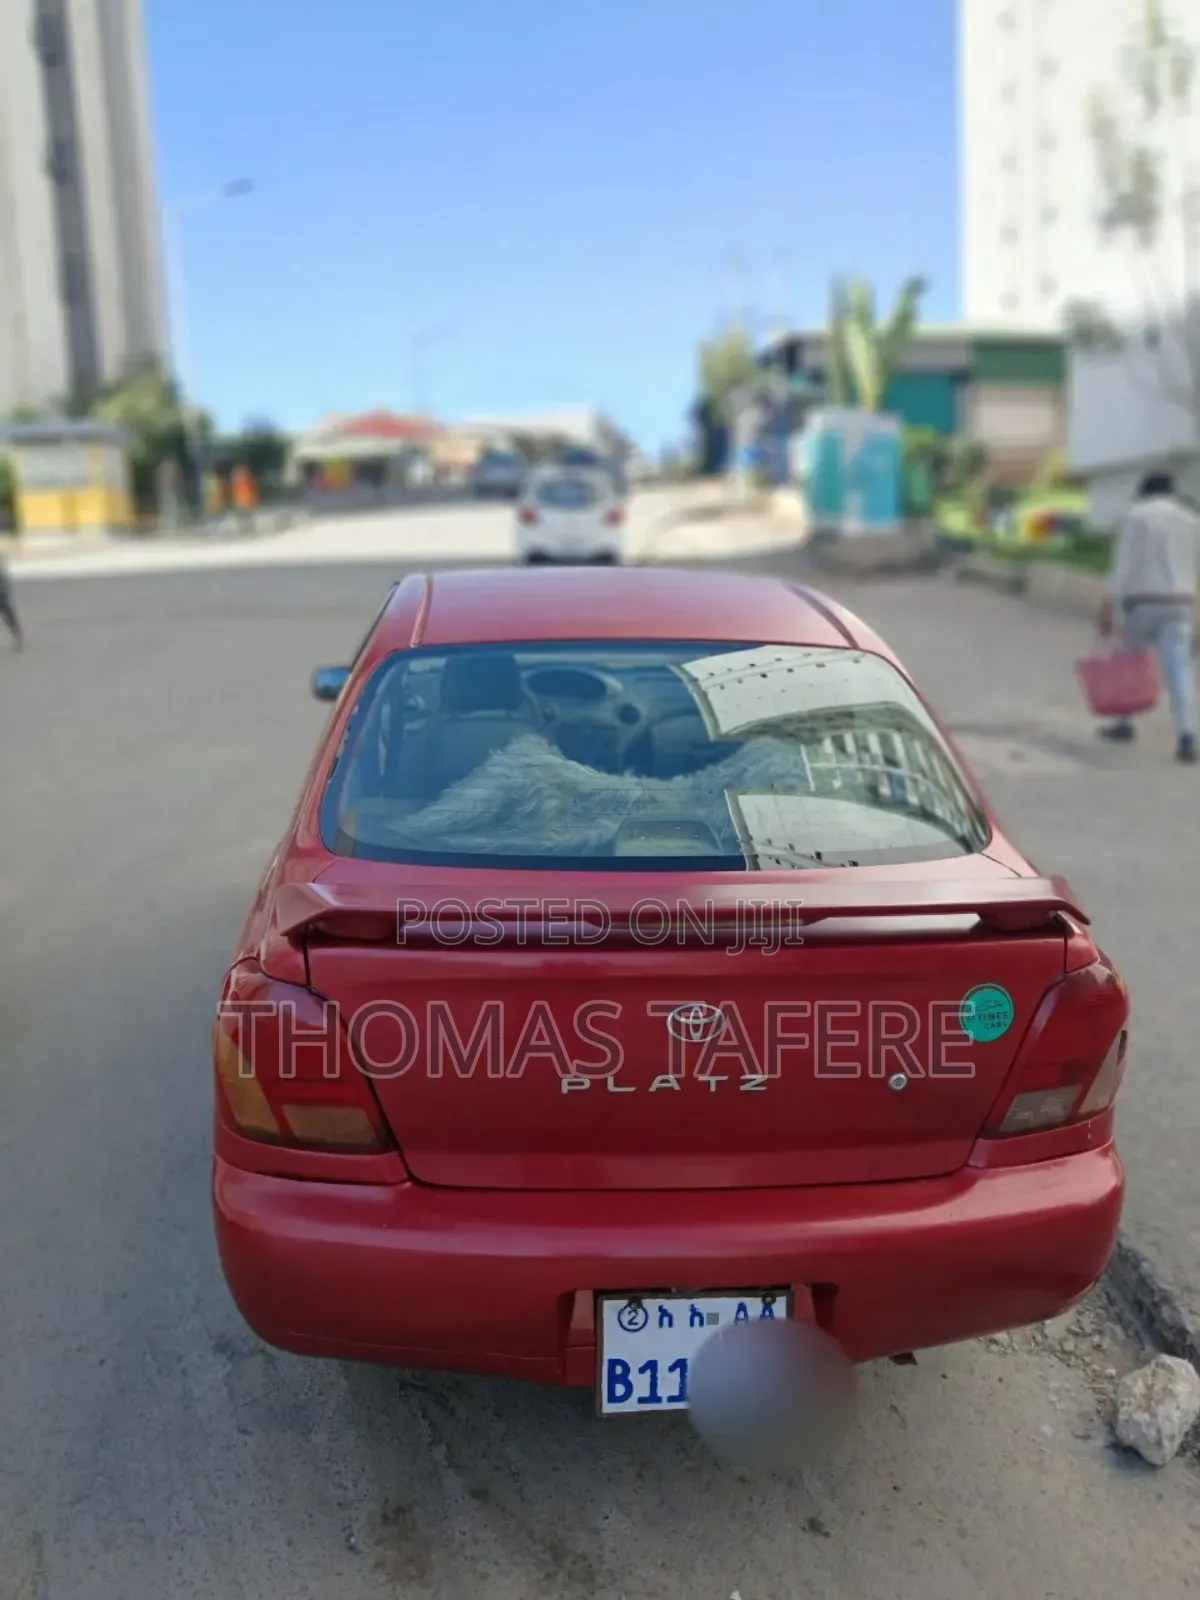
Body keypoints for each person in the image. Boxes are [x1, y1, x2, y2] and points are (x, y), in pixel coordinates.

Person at [1097, 469, 1199, 764]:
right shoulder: (1191, 519)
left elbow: (1123, 564)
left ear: (1144, 490)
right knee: (1179, 669)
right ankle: (1186, 734)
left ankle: (1122, 723)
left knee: (1128, 662)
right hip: (1179, 602)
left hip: (1141, 602)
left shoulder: (1136, 516)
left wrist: (1108, 605)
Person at [0, 554, 23, 650]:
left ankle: (17, 633)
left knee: (7, 614)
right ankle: (17, 633)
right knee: (8, 614)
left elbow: (5, 581)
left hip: (2, 594)